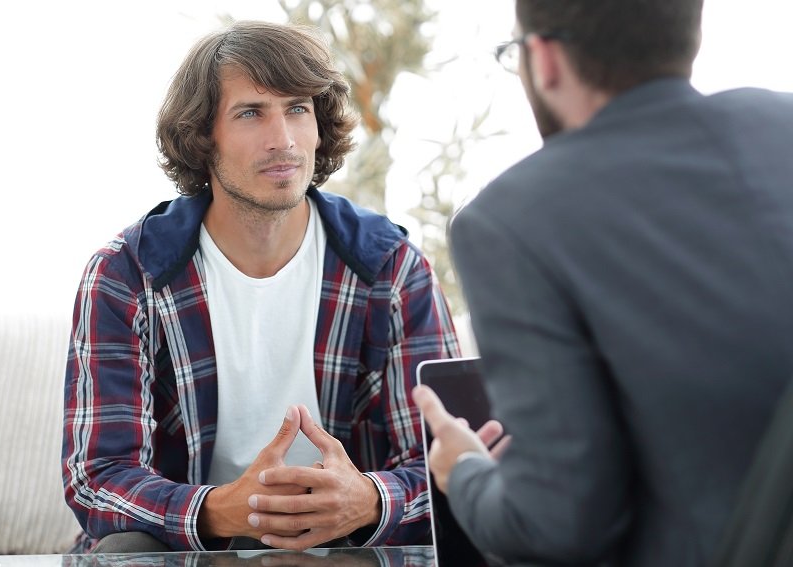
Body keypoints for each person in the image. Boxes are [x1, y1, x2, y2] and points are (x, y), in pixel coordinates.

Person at [413, 0, 793, 565]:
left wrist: (463, 472)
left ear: (543, 59)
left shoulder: (512, 219)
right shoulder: (780, 123)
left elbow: (559, 526)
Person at [61, 20, 458, 553]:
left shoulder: (390, 268)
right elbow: (97, 477)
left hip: (353, 549)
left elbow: (453, 461)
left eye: (298, 109)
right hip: (192, 551)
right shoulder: (127, 275)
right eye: (251, 113)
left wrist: (368, 500)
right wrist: (221, 510)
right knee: (120, 551)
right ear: (203, 139)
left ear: (320, 126)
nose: (283, 140)